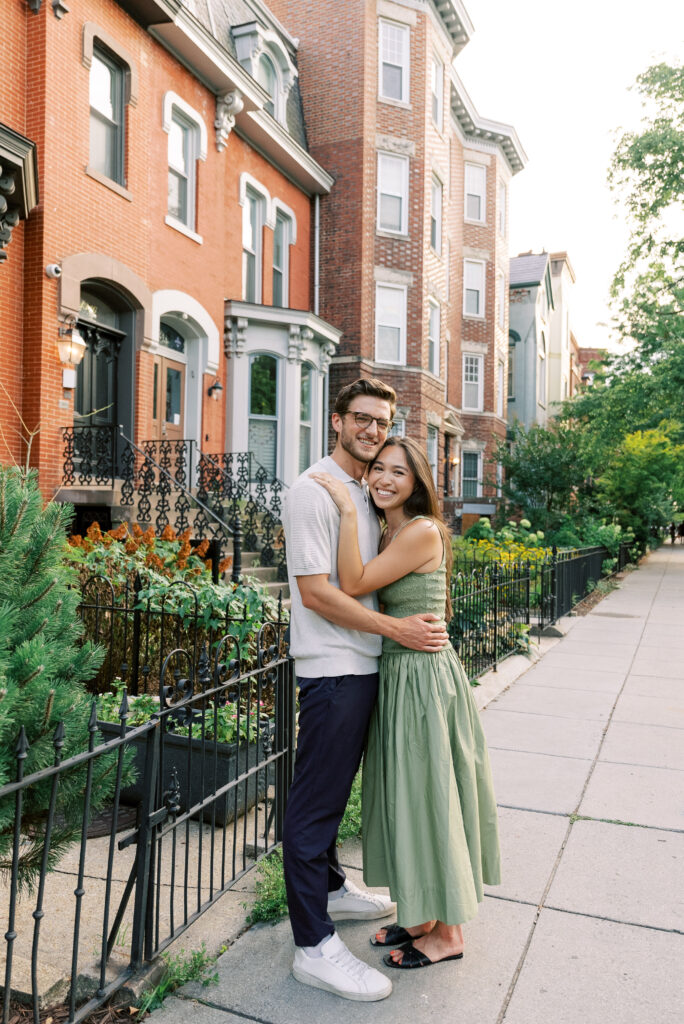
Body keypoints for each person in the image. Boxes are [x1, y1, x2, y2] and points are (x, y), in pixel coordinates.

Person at [281, 379, 449, 1002]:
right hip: (333, 670)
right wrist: (394, 628)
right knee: (313, 810)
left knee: (330, 796)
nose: (372, 430)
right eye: (361, 419)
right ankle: (313, 947)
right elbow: (319, 591)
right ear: (336, 420)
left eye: (382, 422)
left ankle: (328, 889)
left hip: (363, 667)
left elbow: (395, 566)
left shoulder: (361, 489)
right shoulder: (312, 489)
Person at [311, 435, 501, 971]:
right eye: (377, 469)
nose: (384, 479)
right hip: (399, 675)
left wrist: (346, 509)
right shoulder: (391, 528)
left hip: (421, 680)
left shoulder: (419, 531)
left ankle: (449, 934)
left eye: (398, 472)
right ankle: (421, 917)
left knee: (431, 796)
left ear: (417, 482)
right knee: (407, 796)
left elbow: (352, 582)